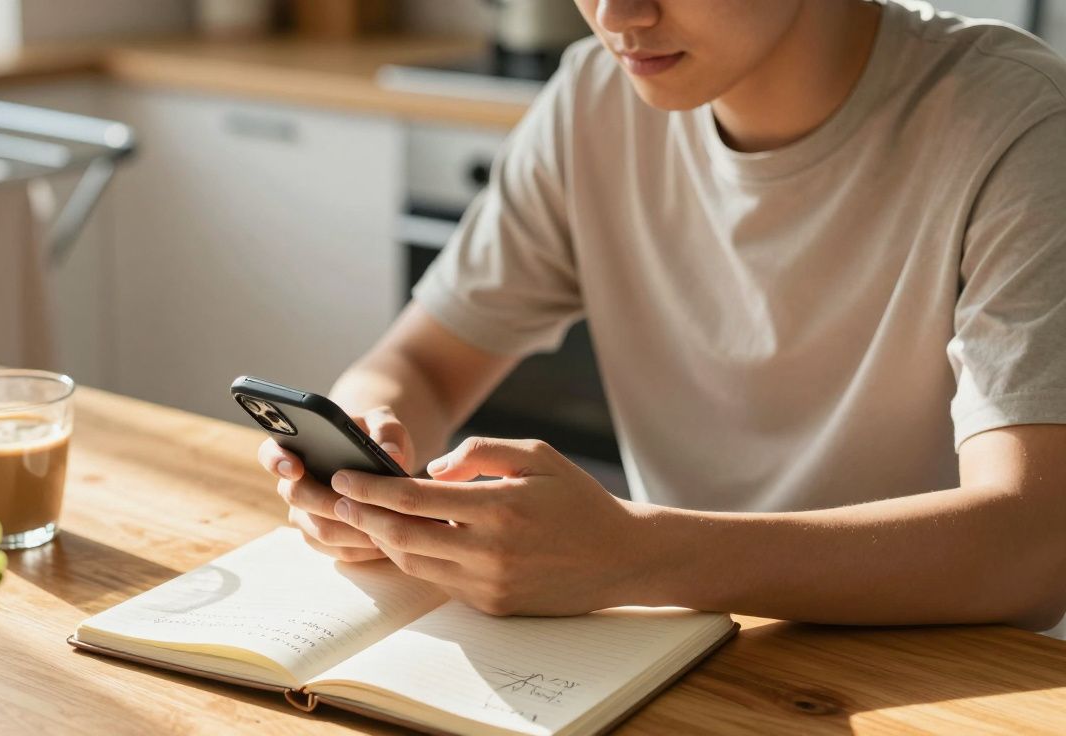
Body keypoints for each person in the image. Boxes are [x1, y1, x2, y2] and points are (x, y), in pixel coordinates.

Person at [259, 0, 1066, 634]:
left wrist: (637, 556)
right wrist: (369, 458)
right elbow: (422, 365)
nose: (616, 15)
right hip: (671, 647)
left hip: (938, 673)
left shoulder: (1017, 122)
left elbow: (1035, 543)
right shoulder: (593, 97)